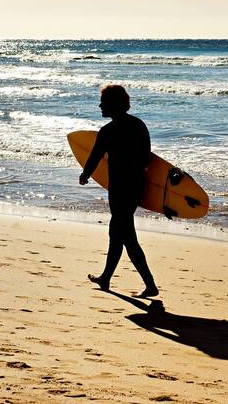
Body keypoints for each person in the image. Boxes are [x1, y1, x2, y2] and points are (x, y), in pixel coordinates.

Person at [79, 84, 159, 297]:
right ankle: (106, 278)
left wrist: (85, 175)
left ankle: (150, 285)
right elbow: (147, 158)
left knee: (126, 236)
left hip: (118, 189)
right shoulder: (138, 125)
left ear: (113, 104)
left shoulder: (108, 132)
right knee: (116, 233)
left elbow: (95, 157)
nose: (100, 105)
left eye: (103, 102)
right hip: (135, 186)